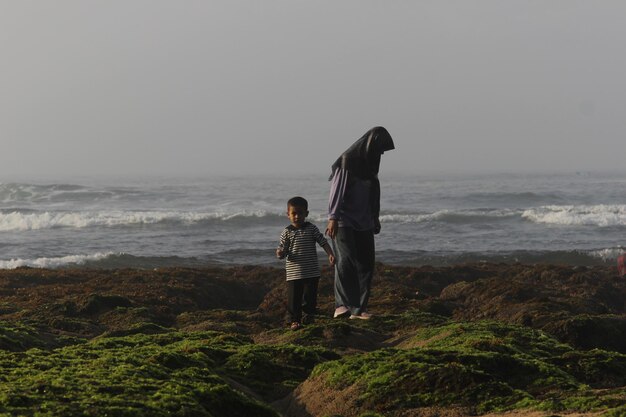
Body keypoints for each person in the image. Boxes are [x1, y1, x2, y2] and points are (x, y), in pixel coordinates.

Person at [325, 126, 395, 320]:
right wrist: (333, 217)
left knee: (366, 265)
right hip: (344, 221)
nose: (381, 153)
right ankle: (341, 305)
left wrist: (375, 217)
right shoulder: (348, 161)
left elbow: (375, 194)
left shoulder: (371, 167)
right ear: (370, 144)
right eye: (380, 148)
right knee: (345, 262)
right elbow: (336, 191)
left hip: (364, 221)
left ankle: (359, 309)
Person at [277, 196, 335, 330]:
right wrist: (279, 253)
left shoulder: (312, 228)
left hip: (311, 271)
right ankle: (294, 320)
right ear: (288, 215)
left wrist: (330, 254)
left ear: (306, 214)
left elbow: (323, 242)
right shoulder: (287, 232)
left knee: (310, 297)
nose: (297, 216)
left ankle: (309, 316)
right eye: (294, 213)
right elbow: (282, 250)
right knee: (294, 299)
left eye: (300, 213)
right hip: (294, 273)